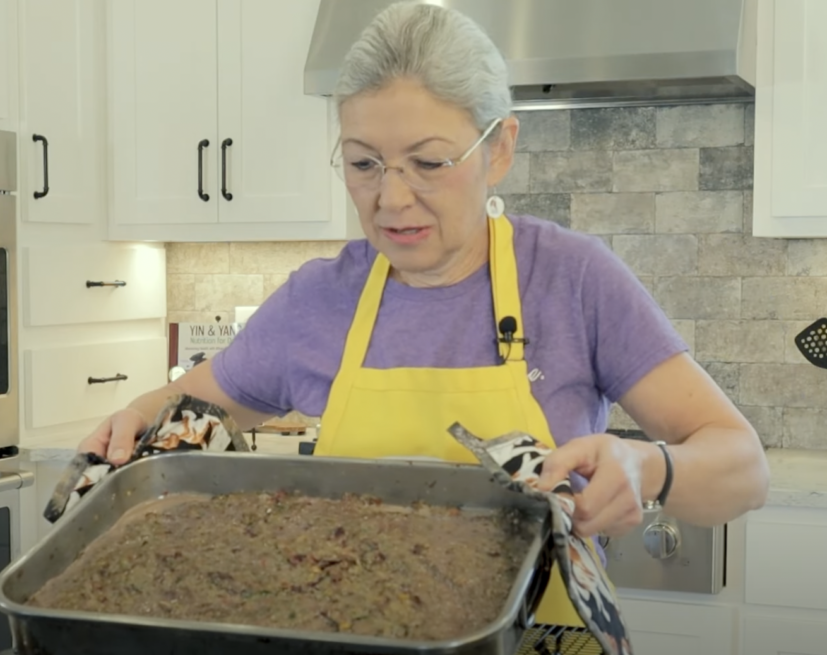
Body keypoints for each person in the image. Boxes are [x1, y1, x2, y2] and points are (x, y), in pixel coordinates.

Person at [79, 2, 769, 628]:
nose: (393, 198)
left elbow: (742, 466)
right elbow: (186, 411)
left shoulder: (571, 279)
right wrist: (132, 422)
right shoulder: (319, 299)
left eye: (429, 163)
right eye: (363, 163)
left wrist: (648, 467)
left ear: (498, 148)